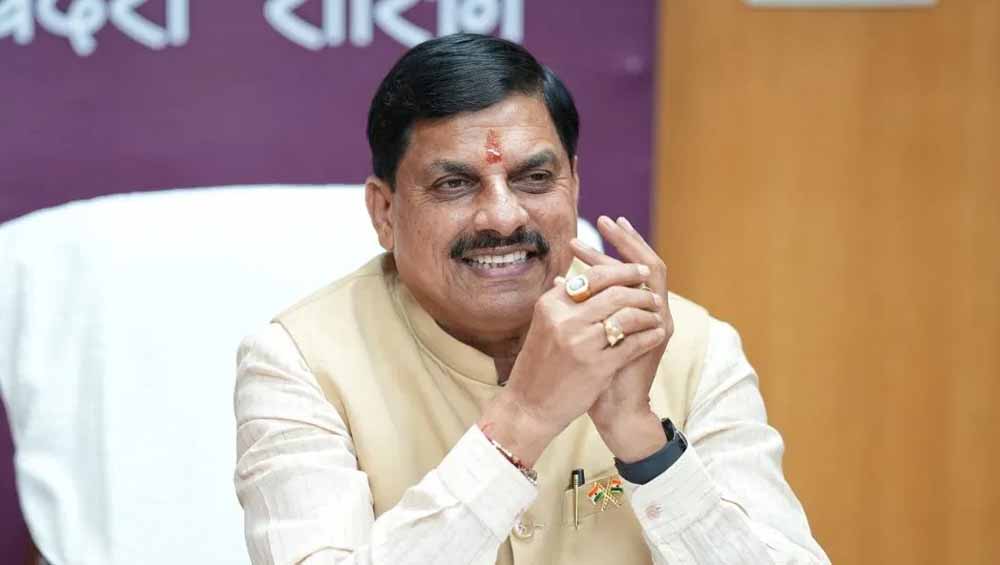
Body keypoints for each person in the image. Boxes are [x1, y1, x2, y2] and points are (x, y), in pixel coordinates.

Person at [234, 33, 830, 565]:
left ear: (574, 184)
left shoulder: (688, 349)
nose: (502, 216)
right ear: (384, 212)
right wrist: (522, 422)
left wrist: (643, 443)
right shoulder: (301, 363)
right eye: (454, 184)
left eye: (534, 179)